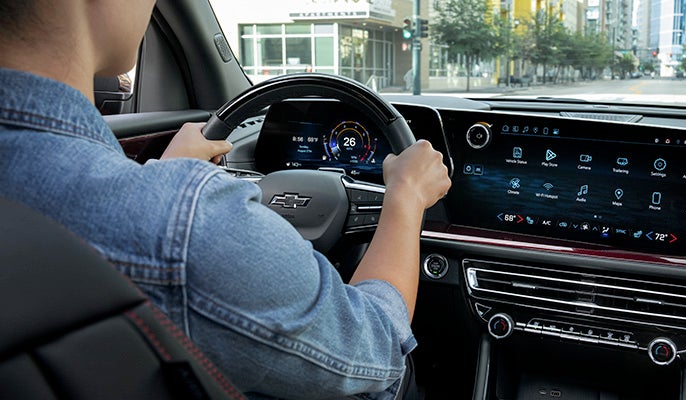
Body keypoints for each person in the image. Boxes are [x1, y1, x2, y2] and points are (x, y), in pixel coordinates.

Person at [0, 1, 451, 399]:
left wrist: (164, 176)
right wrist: (405, 199)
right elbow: (377, 347)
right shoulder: (188, 223)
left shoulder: (158, 207)